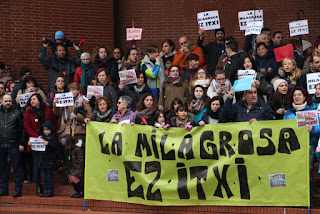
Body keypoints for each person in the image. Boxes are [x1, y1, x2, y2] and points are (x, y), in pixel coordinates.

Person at [283, 86, 320, 205]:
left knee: (306, 174)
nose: (296, 97)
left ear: (305, 97)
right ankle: (295, 200)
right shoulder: (289, 113)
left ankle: (308, 201)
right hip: (292, 148)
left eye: (299, 95)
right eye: (294, 95)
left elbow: (319, 129)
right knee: (293, 174)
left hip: (307, 147)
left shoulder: (311, 111)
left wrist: (312, 128)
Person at [23, 93, 57, 196]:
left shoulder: (48, 110)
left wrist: (50, 135)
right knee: (36, 165)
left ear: (39, 100)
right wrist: (36, 136)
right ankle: (38, 186)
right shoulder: (28, 112)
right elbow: (27, 127)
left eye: (34, 99)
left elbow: (54, 122)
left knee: (47, 167)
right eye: (31, 100)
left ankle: (49, 189)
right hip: (35, 141)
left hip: (47, 140)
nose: (32, 101)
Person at [0, 94, 25, 198]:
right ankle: (3, 189)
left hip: (14, 144)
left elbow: (22, 129)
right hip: (1, 145)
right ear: (2, 101)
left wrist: (21, 143)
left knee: (17, 168)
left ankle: (18, 189)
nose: (8, 103)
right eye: (6, 101)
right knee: (2, 168)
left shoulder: (17, 113)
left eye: (9, 101)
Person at [28, 120, 57, 197]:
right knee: (44, 176)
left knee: (49, 176)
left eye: (48, 130)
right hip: (42, 160)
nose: (46, 131)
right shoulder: (41, 138)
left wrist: (48, 144)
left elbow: (55, 147)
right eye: (44, 130)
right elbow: (35, 146)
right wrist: (31, 143)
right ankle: (46, 190)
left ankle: (50, 190)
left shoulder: (53, 138)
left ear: (51, 130)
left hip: (49, 160)